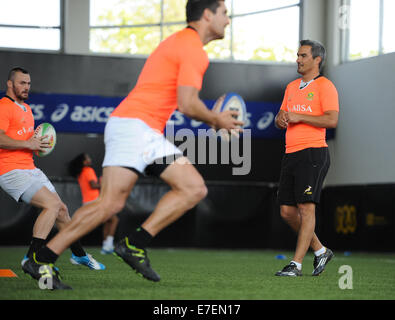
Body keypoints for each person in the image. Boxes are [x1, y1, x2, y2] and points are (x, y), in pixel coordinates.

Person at [23, 0, 243, 289]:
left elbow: (183, 102)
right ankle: (43, 259)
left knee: (191, 188)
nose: (228, 20)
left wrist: (214, 119)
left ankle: (133, 244)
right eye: (224, 13)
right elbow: (188, 104)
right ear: (207, 14)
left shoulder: (181, 43)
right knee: (110, 203)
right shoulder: (192, 49)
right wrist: (218, 119)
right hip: (135, 127)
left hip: (141, 129)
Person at [0, 67, 105, 284]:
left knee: (62, 209)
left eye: (28, 83)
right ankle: (32, 259)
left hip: (30, 167)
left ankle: (79, 255)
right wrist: (28, 143)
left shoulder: (27, 109)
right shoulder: (3, 107)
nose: (26, 87)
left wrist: (39, 144)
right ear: (10, 84)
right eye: (21, 83)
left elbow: (27, 143)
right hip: (10, 170)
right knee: (51, 205)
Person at [274, 40, 339, 276]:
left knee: (305, 208)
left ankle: (296, 264)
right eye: (297, 55)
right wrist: (280, 119)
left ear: (317, 60)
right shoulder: (291, 87)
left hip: (313, 153)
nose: (298, 59)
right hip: (290, 153)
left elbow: (331, 120)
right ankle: (321, 251)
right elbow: (282, 116)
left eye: (303, 55)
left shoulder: (326, 86)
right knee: (287, 212)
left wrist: (299, 116)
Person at [68, 153, 119, 254]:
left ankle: (106, 246)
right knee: (114, 219)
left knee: (109, 221)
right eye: (88, 158)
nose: (90, 159)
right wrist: (104, 183)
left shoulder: (81, 172)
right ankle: (106, 245)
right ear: (84, 162)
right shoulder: (88, 170)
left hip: (88, 203)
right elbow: (93, 186)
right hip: (94, 202)